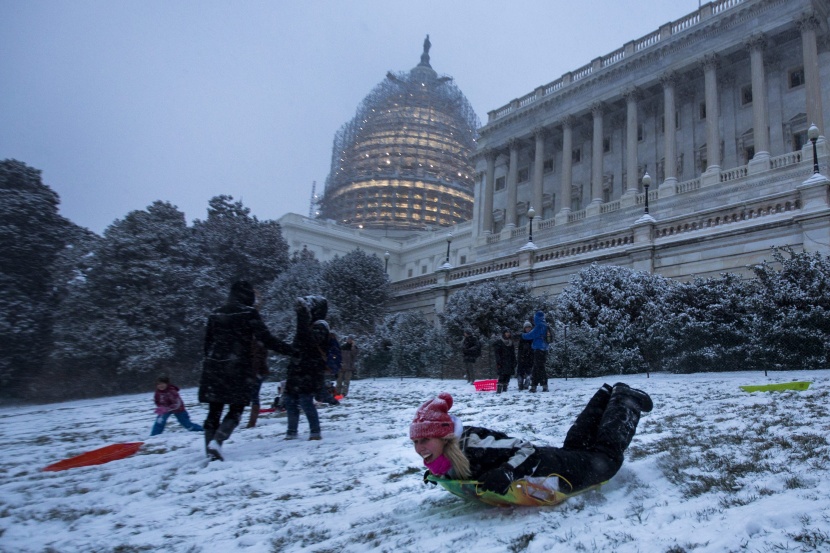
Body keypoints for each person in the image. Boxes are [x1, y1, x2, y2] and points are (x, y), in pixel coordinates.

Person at [410, 384, 653, 495]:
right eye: (416, 443)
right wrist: (440, 475)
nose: (420, 449)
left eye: (425, 441)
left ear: (444, 437)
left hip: (548, 466)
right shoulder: (449, 451)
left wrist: (506, 471)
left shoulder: (473, 444)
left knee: (605, 459)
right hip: (552, 464)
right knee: (578, 447)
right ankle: (604, 396)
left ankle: (626, 400)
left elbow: (526, 450)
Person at [199, 280, 294, 461]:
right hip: (237, 367)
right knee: (236, 408)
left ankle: (209, 449)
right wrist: (292, 350)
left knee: (214, 410)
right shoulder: (248, 313)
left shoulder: (215, 313)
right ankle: (218, 441)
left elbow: (207, 344)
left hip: (214, 366)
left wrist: (211, 362)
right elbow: (267, 339)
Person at [284, 295, 330, 440]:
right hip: (299, 367)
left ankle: (315, 431)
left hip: (309, 369)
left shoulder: (321, 326)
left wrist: (302, 317)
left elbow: (308, 341)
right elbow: (299, 343)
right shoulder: (309, 325)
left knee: (305, 400)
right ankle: (292, 431)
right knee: (290, 400)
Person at [522, 311, 549, 392]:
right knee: (540, 367)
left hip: (538, 349)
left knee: (538, 368)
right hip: (544, 349)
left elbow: (531, 335)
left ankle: (537, 385)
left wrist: (522, 335)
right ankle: (538, 385)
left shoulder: (539, 326)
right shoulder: (545, 325)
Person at [246, 339, 268, 428]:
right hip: (256, 372)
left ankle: (252, 421)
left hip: (256, 372)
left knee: (254, 396)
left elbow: (257, 359)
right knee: (253, 396)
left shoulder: (255, 343)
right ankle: (251, 421)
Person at [492, 329, 516, 393]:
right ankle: (499, 389)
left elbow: (513, 353)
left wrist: (514, 361)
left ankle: (505, 388)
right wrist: (498, 361)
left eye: (509, 332)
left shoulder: (511, 342)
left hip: (510, 361)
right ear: (504, 333)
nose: (508, 334)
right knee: (502, 375)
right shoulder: (499, 342)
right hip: (502, 361)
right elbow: (497, 353)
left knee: (508, 375)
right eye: (506, 332)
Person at [516, 321, 534, 391]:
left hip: (530, 356)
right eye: (526, 327)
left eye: (529, 327)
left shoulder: (533, 336)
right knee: (520, 371)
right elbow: (520, 348)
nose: (528, 328)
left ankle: (527, 383)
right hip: (522, 356)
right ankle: (520, 383)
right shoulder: (522, 336)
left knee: (529, 371)